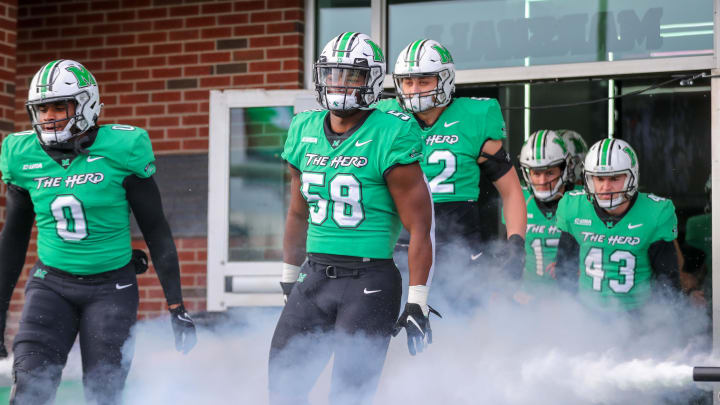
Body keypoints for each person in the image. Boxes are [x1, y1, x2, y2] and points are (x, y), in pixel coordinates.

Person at [0, 59, 197, 404]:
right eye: (42, 109)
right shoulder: (21, 154)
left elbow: (156, 230)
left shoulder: (122, 148)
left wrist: (176, 304)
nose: (49, 117)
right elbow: (13, 240)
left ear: (87, 103)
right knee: (30, 386)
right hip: (51, 283)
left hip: (111, 287)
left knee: (104, 393)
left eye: (59, 106)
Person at [268, 32, 435, 405]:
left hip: (368, 280)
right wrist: (288, 277)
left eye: (351, 76)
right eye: (332, 75)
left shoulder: (391, 132)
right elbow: (298, 212)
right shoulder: (304, 128)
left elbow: (420, 225)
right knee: (283, 387)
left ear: (372, 80)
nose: (339, 85)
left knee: (348, 396)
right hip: (314, 277)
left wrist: (418, 299)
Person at [374, 39, 526, 298]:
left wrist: (516, 243)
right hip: (400, 247)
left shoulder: (474, 117)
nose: (414, 89)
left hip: (460, 248)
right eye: (408, 82)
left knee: (463, 330)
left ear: (445, 80)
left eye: (424, 81)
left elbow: (511, 191)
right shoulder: (385, 118)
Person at [553, 138, 680, 312]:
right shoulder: (574, 209)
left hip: (638, 320)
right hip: (586, 318)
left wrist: (658, 325)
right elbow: (564, 272)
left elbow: (668, 284)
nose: (606, 187)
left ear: (632, 177)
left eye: (614, 178)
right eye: (599, 178)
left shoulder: (654, 213)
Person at [513, 130, 578, 300]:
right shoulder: (519, 199)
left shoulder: (582, 200)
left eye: (549, 172)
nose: (542, 181)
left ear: (564, 169)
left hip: (572, 298)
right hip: (528, 299)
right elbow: (511, 255)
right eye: (536, 173)